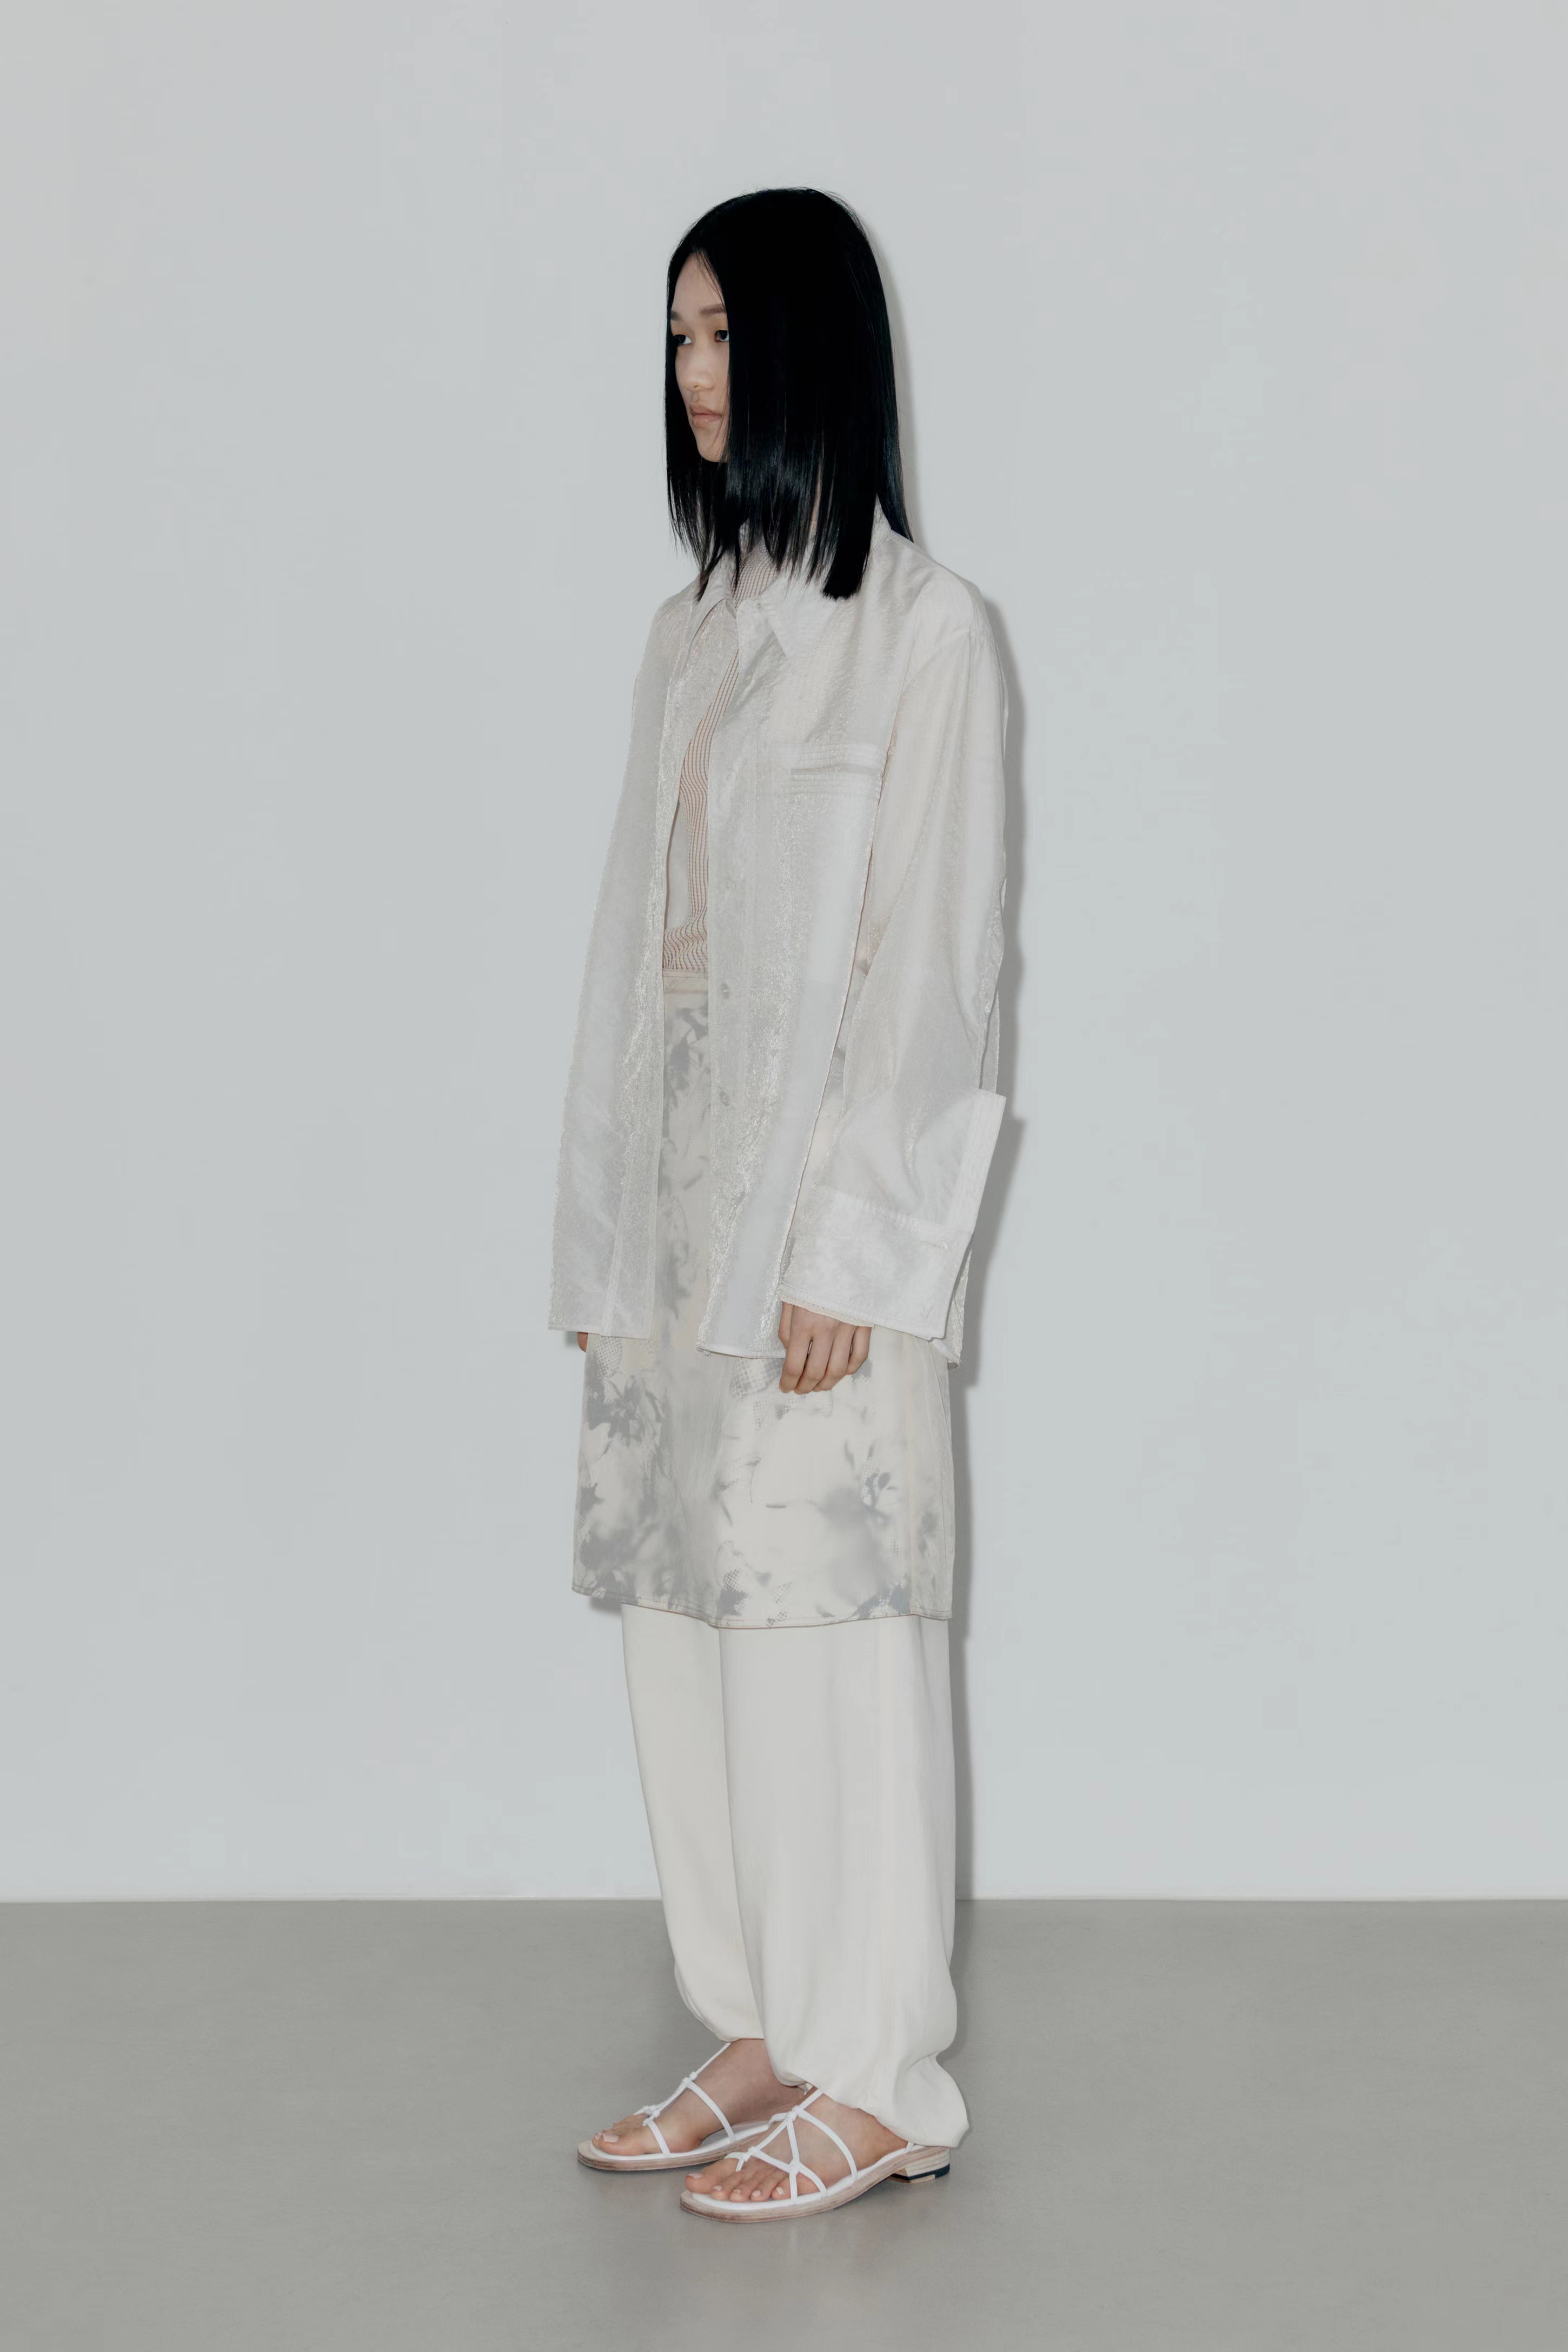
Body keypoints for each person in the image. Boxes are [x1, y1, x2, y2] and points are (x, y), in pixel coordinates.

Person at [549, 188, 1007, 2221]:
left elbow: (938, 966)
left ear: (817, 346)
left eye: (727, 333)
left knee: (832, 1619)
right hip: (671, 1205)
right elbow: (628, 957)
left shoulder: (925, 637)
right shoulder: (688, 640)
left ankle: (878, 2068)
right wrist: (601, 1232)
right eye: (677, 339)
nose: (697, 375)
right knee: (685, 1615)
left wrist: (861, 1249)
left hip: (816, 1215)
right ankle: (754, 2025)